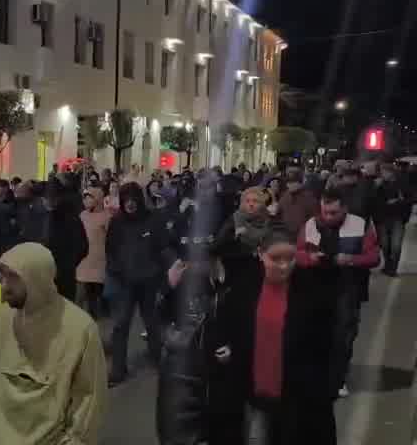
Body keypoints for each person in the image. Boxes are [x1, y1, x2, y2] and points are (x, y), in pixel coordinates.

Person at [0, 242, 107, 445]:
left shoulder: (80, 330)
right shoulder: (0, 320)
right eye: (3, 276)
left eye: (13, 277)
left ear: (36, 280)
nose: (4, 286)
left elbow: (88, 403)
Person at [224, 227, 337, 445]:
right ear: (260, 254)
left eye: (290, 258)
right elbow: (233, 330)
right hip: (254, 395)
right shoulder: (243, 289)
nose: (285, 266)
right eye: (276, 259)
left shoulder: (311, 292)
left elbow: (323, 345)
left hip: (297, 397)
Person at [155, 219, 233, 445]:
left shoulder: (225, 285)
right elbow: (159, 317)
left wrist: (231, 346)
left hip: (214, 374)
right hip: (181, 370)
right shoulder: (178, 283)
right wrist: (168, 286)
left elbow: (235, 323)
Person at [297, 189, 380, 399]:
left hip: (347, 288)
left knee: (343, 334)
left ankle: (338, 377)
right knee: (316, 333)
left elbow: (374, 257)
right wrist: (310, 258)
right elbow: (297, 254)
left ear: (344, 208)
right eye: (325, 212)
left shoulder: (360, 224)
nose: (329, 217)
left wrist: (351, 260)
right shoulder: (310, 225)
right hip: (316, 287)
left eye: (334, 213)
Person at [106, 182, 173, 385]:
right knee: (120, 325)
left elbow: (163, 247)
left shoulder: (153, 219)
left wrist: (163, 276)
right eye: (126, 199)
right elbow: (110, 249)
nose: (130, 204)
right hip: (125, 282)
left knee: (152, 323)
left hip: (149, 281)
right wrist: (116, 270)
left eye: (133, 199)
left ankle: (159, 360)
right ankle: (118, 369)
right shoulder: (117, 222)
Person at [32, 179, 89, 301]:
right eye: (46, 199)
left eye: (53, 198)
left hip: (63, 276)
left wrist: (66, 266)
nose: (49, 202)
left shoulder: (71, 219)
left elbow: (82, 247)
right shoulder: (38, 216)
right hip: (42, 275)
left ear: (59, 198)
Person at [76, 187, 111, 319]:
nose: (85, 200)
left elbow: (111, 240)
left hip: (100, 262)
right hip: (83, 261)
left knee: (95, 299)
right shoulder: (82, 215)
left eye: (88, 197)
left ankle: (96, 324)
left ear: (97, 199)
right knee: (79, 296)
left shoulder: (106, 216)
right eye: (84, 197)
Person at [375, 163, 408, 276]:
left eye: (384, 172)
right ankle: (388, 265)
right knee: (385, 245)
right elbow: (373, 200)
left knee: (396, 245)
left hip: (398, 218)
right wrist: (376, 187)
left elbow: (410, 198)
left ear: (391, 172)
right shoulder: (379, 185)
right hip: (383, 218)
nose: (382, 174)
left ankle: (393, 268)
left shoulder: (402, 183)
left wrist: (399, 201)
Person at [278, 173, 320, 239]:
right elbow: (279, 212)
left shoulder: (309, 197)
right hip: (287, 234)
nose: (291, 185)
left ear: (300, 183)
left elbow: (315, 216)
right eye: (288, 182)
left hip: (304, 235)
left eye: (294, 182)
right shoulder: (284, 196)